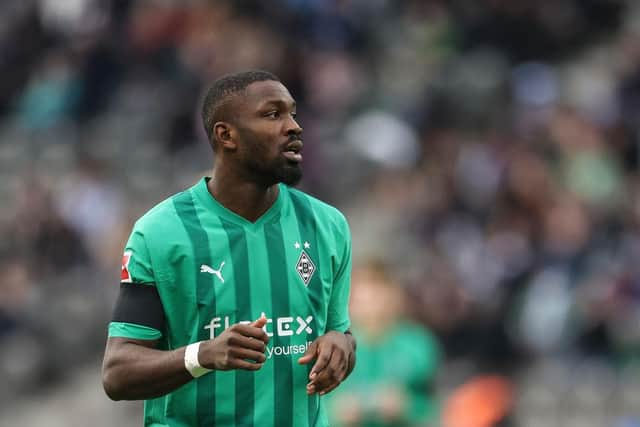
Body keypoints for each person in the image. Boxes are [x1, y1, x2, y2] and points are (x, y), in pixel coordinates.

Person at [101, 70, 356, 427]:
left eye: (293, 113)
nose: (294, 126)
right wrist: (203, 355)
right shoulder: (161, 233)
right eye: (273, 114)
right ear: (226, 135)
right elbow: (118, 372)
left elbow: (338, 332)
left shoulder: (327, 226)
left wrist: (343, 346)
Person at [326, 260, 441, 427]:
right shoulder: (333, 347)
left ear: (394, 296)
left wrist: (407, 407)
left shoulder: (418, 345)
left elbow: (435, 407)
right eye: (363, 297)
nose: (371, 305)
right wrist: (336, 413)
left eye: (377, 295)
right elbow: (315, 407)